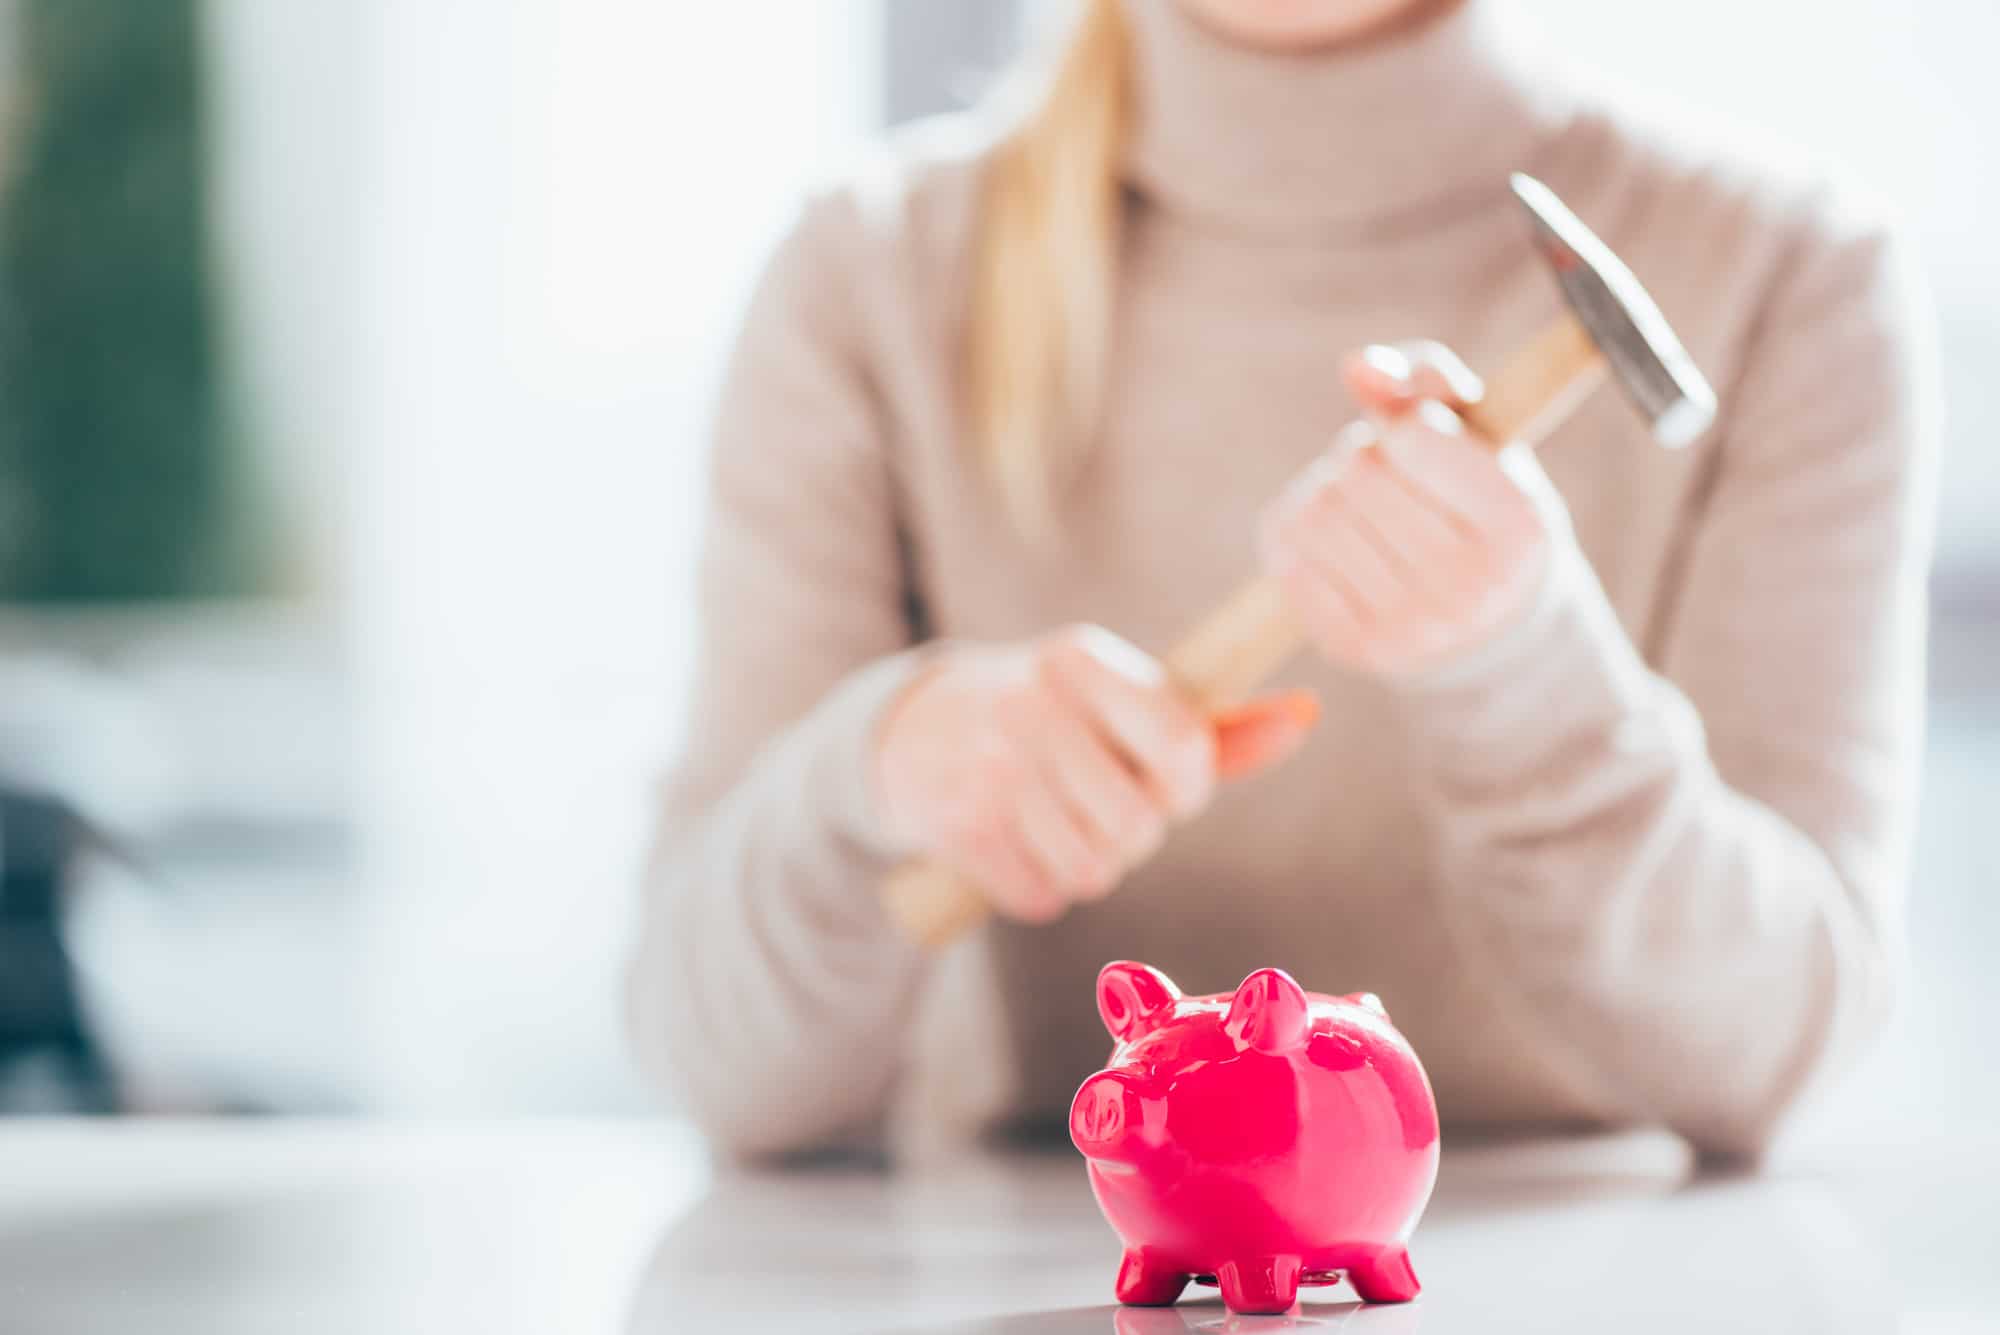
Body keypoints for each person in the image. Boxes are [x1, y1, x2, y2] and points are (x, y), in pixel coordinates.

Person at [627, 0, 1936, 1161]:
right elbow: (717, 1067)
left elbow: (1777, 1048)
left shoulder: (1791, 273)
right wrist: (877, 775)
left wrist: (1522, 670)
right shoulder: (867, 275)